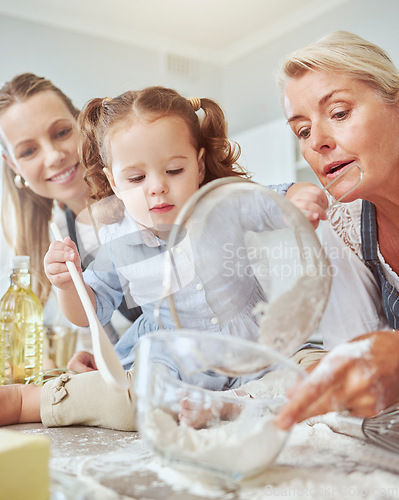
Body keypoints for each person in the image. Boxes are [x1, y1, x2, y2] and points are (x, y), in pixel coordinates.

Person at [0, 85, 312, 430]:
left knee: (313, 369)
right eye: (136, 178)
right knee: (132, 401)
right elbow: (89, 311)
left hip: (247, 341)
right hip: (170, 357)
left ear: (200, 167)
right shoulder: (116, 237)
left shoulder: (222, 204)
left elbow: (269, 201)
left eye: (174, 171)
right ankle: (28, 401)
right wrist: (66, 284)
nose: (156, 187)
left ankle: (229, 404)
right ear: (114, 183)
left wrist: (299, 196)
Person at [274, 30, 399, 428]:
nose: (318, 142)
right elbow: (363, 388)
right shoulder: (343, 226)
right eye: (303, 131)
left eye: (340, 113)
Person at [0, 73, 140, 368]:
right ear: (14, 165)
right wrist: (100, 361)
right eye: (28, 151)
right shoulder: (62, 233)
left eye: (61, 132)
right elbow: (101, 330)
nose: (53, 156)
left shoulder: (146, 195)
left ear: (81, 123)